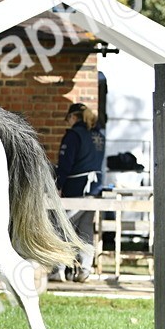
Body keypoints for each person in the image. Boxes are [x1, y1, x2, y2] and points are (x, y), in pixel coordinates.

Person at [55, 103, 105, 282]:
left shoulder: (73, 136)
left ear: (74, 117)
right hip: (94, 188)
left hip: (77, 187)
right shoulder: (98, 135)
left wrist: (58, 185)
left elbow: (65, 164)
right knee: (85, 231)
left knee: (63, 227)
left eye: (68, 118)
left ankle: (58, 268)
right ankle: (85, 268)